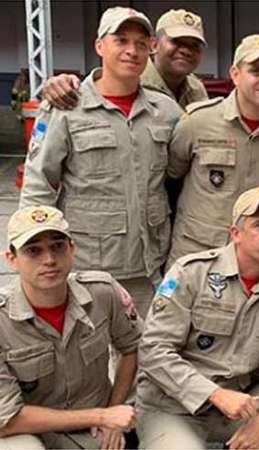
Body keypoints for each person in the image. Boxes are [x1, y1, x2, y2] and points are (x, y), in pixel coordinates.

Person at [136, 187, 259, 450]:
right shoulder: (190, 273)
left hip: (241, 402)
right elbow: (154, 351)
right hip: (174, 405)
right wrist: (215, 395)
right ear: (235, 234)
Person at [20, 7, 183, 318]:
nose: (132, 51)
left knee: (146, 356)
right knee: (88, 360)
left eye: (140, 43)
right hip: (88, 270)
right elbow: (38, 184)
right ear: (99, 46)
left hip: (149, 267)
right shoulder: (66, 107)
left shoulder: (166, 110)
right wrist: (37, 257)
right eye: (121, 40)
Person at [0, 206, 141, 450]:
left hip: (96, 431)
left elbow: (132, 348)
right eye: (33, 251)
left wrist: (113, 411)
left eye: (58, 246)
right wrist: (100, 416)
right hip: (30, 434)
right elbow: (7, 419)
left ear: (72, 249)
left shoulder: (102, 292)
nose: (49, 260)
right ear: (11, 259)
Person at [166, 34, 259, 267]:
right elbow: (170, 180)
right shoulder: (197, 122)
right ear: (235, 74)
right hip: (198, 262)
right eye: (257, 71)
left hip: (258, 269)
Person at [42, 9, 208, 111]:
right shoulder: (130, 81)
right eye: (177, 42)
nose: (186, 50)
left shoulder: (196, 89)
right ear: (155, 45)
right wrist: (58, 84)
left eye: (195, 45)